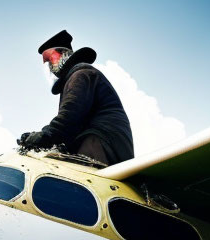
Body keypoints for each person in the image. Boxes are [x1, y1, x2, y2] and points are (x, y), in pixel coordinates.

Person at [18, 29, 134, 166]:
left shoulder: (81, 75)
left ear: (63, 54)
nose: (50, 67)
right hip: (103, 142)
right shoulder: (76, 77)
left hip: (101, 142)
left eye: (51, 60)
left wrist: (42, 137)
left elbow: (68, 118)